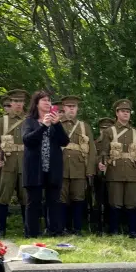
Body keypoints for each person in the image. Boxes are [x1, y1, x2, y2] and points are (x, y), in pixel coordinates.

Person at [22, 91, 70, 237]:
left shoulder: (55, 122)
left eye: (49, 100)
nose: (48, 103)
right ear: (36, 103)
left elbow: (64, 141)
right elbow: (28, 140)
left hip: (52, 167)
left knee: (54, 201)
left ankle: (55, 230)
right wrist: (43, 126)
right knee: (33, 202)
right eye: (44, 100)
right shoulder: (29, 121)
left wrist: (57, 124)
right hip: (35, 168)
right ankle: (32, 234)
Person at [100, 99, 136, 237]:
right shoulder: (109, 131)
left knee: (132, 202)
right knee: (115, 202)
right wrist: (102, 163)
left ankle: (133, 231)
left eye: (128, 112)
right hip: (114, 170)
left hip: (132, 171)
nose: (126, 114)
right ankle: (114, 231)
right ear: (117, 113)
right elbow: (104, 151)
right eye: (123, 111)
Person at [0, 89, 30, 238]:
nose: (18, 104)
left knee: (25, 196)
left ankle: (28, 228)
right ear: (11, 103)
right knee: (3, 196)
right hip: (7, 163)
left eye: (21, 102)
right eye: (15, 101)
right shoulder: (2, 121)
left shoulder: (29, 120)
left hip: (25, 163)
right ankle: (1, 228)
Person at [58, 95, 96, 236]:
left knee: (78, 198)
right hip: (60, 168)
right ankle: (62, 228)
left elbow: (92, 150)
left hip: (79, 168)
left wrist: (90, 170)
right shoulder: (57, 124)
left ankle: (77, 229)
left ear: (77, 108)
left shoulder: (84, 126)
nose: (71, 109)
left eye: (74, 106)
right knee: (61, 199)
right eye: (68, 106)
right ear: (64, 108)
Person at [92, 117, 115, 235]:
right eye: (102, 129)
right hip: (99, 176)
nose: (104, 131)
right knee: (99, 201)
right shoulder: (95, 143)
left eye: (107, 129)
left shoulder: (115, 143)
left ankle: (110, 225)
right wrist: (98, 164)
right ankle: (98, 225)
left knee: (111, 202)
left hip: (113, 175)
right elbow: (92, 157)